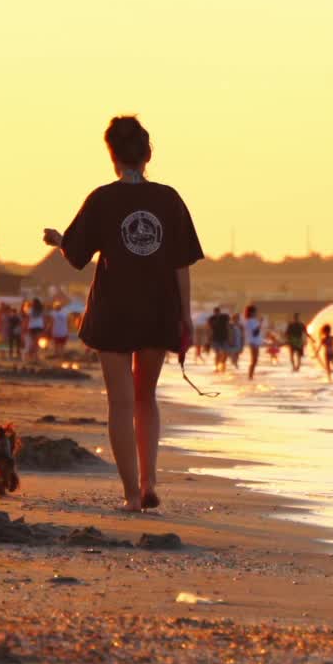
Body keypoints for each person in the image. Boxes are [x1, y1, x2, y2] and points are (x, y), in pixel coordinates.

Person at [42, 114, 203, 512]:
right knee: (146, 396)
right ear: (148, 154)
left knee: (120, 402)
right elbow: (181, 264)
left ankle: (132, 495)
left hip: (113, 311)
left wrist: (60, 240)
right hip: (158, 309)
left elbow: (77, 255)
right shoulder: (169, 199)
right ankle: (150, 481)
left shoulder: (102, 198)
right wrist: (185, 317)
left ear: (112, 156)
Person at [243, 304, 263, 379]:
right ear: (251, 312)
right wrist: (260, 323)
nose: (256, 313)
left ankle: (251, 375)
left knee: (255, 360)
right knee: (254, 360)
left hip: (254, 342)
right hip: (253, 342)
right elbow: (255, 332)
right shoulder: (250, 321)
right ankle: (250, 376)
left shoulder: (252, 321)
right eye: (255, 312)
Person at [208, 305, 230, 372]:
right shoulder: (211, 319)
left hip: (224, 337)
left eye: (218, 312)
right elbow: (209, 328)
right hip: (215, 338)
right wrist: (209, 339)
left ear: (219, 312)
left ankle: (223, 364)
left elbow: (228, 325)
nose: (217, 313)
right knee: (217, 353)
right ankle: (217, 367)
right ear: (214, 312)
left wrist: (229, 337)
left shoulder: (224, 317)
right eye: (215, 312)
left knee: (225, 353)